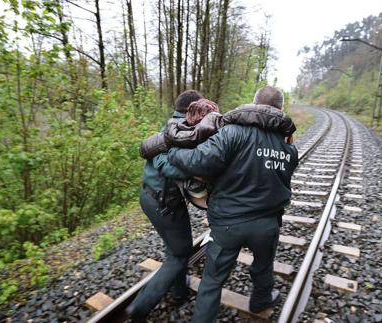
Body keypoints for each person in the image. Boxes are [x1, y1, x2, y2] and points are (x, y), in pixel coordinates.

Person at [167, 86, 299, 323]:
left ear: (254, 103)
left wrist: (173, 153)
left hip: (229, 223)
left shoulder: (232, 133)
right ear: (280, 109)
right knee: (263, 266)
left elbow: (199, 161)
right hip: (267, 224)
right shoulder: (289, 147)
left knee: (212, 281)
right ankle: (260, 300)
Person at [125, 90, 203, 322]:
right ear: (192, 110)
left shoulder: (170, 125)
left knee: (175, 246)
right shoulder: (188, 132)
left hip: (148, 197)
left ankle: (178, 291)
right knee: (180, 254)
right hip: (164, 203)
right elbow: (170, 166)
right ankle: (139, 307)